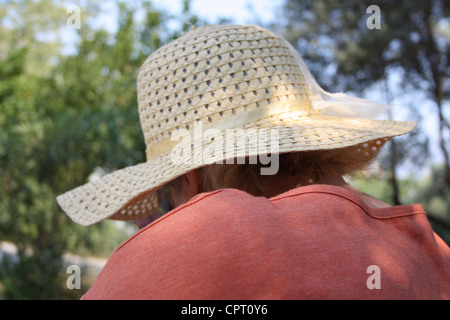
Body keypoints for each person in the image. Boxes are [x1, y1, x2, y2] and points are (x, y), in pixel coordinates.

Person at [57, 24, 450, 299]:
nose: (165, 216)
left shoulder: (165, 261)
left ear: (189, 181)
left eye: (163, 200)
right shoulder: (427, 250)